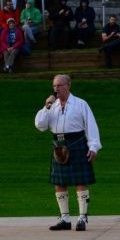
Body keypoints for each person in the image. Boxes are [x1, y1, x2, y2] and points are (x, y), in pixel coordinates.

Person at [35, 74, 102, 232]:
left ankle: (82, 218)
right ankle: (64, 219)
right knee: (60, 183)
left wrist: (93, 147)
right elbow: (40, 125)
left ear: (68, 85)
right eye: (54, 86)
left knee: (80, 181)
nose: (56, 89)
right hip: (59, 145)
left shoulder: (80, 104)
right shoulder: (52, 106)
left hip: (77, 143)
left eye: (59, 85)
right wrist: (47, 106)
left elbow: (91, 126)